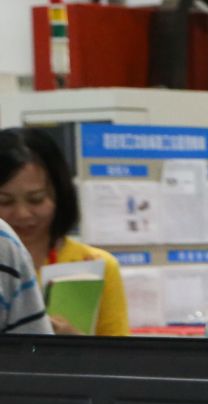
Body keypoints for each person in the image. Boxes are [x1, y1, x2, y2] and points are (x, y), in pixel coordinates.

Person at [0, 126, 129, 335]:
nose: (22, 214)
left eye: (36, 199)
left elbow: (121, 352)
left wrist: (74, 342)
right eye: (4, 201)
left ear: (59, 194)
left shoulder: (96, 264)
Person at [0, 216, 51, 334]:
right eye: (6, 205)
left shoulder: (5, 242)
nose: (22, 214)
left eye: (36, 205)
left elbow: (32, 340)